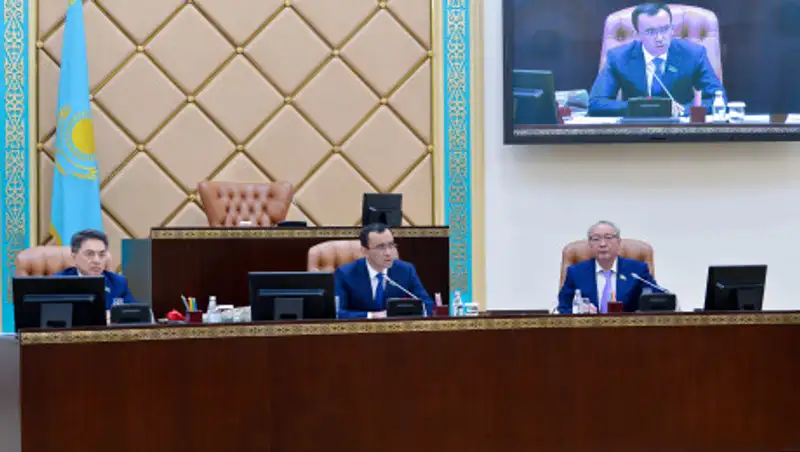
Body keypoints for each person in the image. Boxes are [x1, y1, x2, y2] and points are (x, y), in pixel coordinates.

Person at [588, 3, 725, 117]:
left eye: (665, 29)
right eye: (651, 32)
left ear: (672, 29)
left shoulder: (693, 54)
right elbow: (596, 103)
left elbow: (718, 99)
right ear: (637, 34)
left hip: (680, 128)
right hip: (635, 130)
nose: (659, 38)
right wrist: (641, 108)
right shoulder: (619, 57)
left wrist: (684, 110)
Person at [335, 223, 433, 319]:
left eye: (391, 245)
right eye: (380, 247)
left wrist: (401, 313)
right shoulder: (345, 274)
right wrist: (372, 316)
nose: (388, 253)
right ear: (365, 251)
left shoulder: (406, 270)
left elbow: (427, 304)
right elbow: (338, 312)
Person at [557, 221, 658, 314]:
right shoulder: (576, 272)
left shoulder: (637, 270)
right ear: (590, 244)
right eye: (596, 239)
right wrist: (580, 311)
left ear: (618, 242)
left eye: (608, 238)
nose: (603, 244)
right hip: (589, 326)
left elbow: (656, 299)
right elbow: (563, 308)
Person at [54, 229, 136, 310]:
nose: (97, 260)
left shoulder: (118, 283)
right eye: (90, 254)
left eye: (102, 254)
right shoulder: (58, 282)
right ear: (74, 256)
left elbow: (133, 313)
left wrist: (113, 315)